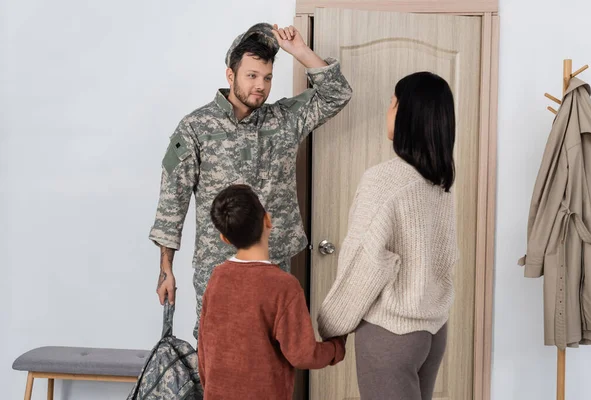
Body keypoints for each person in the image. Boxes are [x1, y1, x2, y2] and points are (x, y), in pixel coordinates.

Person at [148, 22, 352, 339]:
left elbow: (337, 93)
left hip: (274, 263)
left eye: (267, 77)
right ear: (231, 76)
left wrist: (299, 50)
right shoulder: (195, 128)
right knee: (217, 351)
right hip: (217, 265)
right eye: (252, 76)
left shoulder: (286, 119)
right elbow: (171, 204)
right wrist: (166, 270)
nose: (261, 85)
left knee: (274, 349)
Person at [317, 72, 459, 400]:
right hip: (433, 331)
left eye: (392, 103)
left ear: (405, 112)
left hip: (391, 334)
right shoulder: (439, 185)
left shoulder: (384, 181)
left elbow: (365, 262)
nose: (388, 111)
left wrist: (331, 326)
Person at [198, 184, 346, 399]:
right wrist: (337, 347)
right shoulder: (283, 285)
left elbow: (204, 350)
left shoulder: (217, 278)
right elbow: (303, 355)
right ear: (267, 220)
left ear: (225, 239)